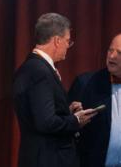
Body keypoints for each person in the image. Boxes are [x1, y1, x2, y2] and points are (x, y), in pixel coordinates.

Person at [13, 13, 96, 167]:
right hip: (48, 159)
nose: (68, 46)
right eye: (67, 41)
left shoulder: (31, 67)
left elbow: (40, 114)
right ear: (57, 41)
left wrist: (66, 110)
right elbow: (46, 122)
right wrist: (76, 120)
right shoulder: (40, 71)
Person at [69, 33, 121, 167]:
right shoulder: (85, 83)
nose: (112, 56)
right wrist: (73, 119)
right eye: (110, 50)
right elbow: (64, 128)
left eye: (119, 52)